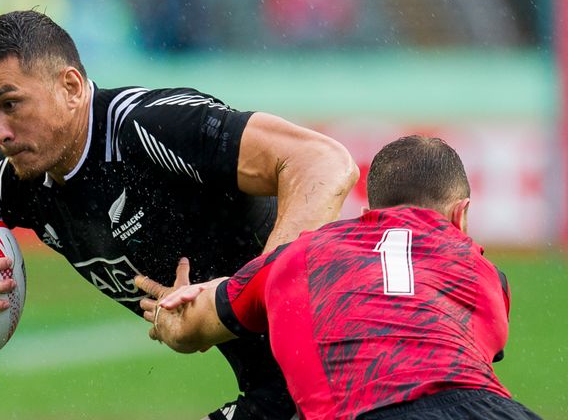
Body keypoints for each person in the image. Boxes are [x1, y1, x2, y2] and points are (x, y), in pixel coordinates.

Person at [0, 10, 359, 420]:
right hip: (280, 389)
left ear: (72, 86)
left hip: (356, 357)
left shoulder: (150, 126)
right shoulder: (9, 179)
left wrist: (237, 299)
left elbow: (323, 161)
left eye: (11, 104)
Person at [136, 136, 542, 420]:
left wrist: (172, 316)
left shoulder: (298, 256)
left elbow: (192, 323)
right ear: (461, 215)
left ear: (370, 205)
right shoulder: (484, 272)